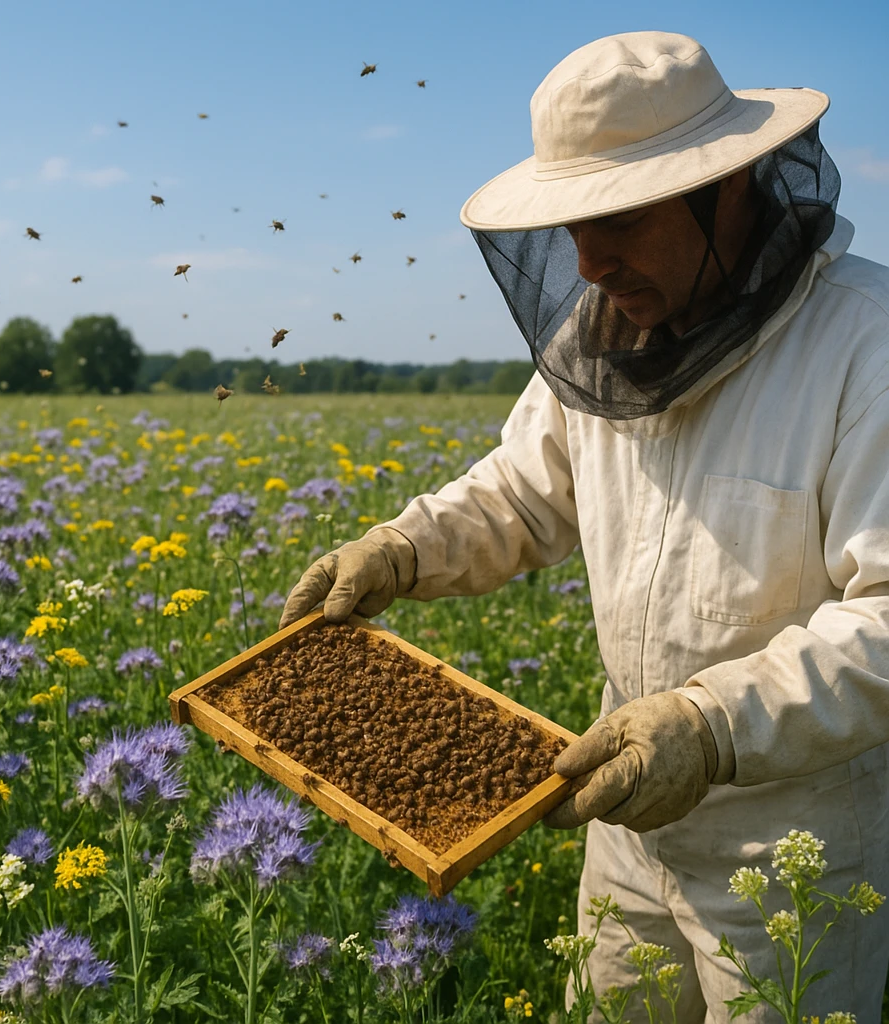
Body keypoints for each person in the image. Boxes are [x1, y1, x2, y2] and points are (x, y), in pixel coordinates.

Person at [280, 31, 889, 1020]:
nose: (590, 262)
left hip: (793, 847)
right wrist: (399, 547)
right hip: (625, 823)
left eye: (623, 220)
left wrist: (708, 722)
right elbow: (519, 493)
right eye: (572, 227)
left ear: (727, 188)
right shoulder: (600, 341)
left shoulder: (867, 345)